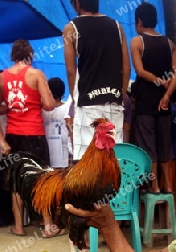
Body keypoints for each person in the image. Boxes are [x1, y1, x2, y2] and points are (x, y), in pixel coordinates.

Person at [0, 39, 62, 238]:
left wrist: (2, 141)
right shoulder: (36, 74)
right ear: (31, 55)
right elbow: (49, 105)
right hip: (34, 134)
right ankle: (48, 226)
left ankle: (19, 226)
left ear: (12, 55)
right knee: (41, 178)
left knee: (16, 183)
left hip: (13, 136)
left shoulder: (2, 77)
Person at [63, 0, 130, 160]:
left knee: (87, 160)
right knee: (112, 158)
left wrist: (74, 97)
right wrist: (120, 93)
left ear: (78, 3)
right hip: (113, 102)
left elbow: (71, 70)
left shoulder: (71, 28)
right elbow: (126, 67)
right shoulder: (117, 27)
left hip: (87, 104)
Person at [130, 2, 176, 193]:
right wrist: (167, 94)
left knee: (148, 144)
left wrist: (159, 81)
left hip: (145, 101)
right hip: (164, 102)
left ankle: (155, 185)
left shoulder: (137, 41)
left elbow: (140, 71)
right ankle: (167, 184)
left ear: (139, 21)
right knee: (164, 143)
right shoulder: (169, 43)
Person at [42, 77, 72, 168]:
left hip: (45, 156)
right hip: (64, 157)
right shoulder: (67, 108)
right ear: (63, 93)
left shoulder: (41, 110)